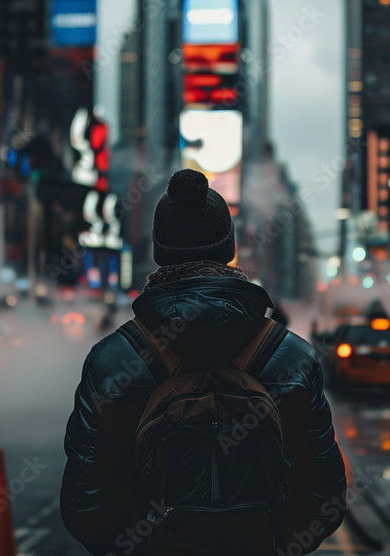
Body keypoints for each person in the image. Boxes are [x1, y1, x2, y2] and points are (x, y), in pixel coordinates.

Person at [61, 170, 346, 555]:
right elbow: (321, 497)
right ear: (229, 248)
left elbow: (87, 506)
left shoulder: (112, 362)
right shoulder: (292, 357)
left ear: (159, 252)